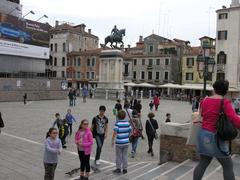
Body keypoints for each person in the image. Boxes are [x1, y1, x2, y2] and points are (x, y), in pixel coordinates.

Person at [193, 80, 240, 180]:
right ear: (226, 91)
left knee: (203, 163)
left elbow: (200, 116)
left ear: (214, 89)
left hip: (203, 134)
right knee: (228, 166)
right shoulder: (225, 102)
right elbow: (234, 119)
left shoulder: (204, 101)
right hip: (215, 137)